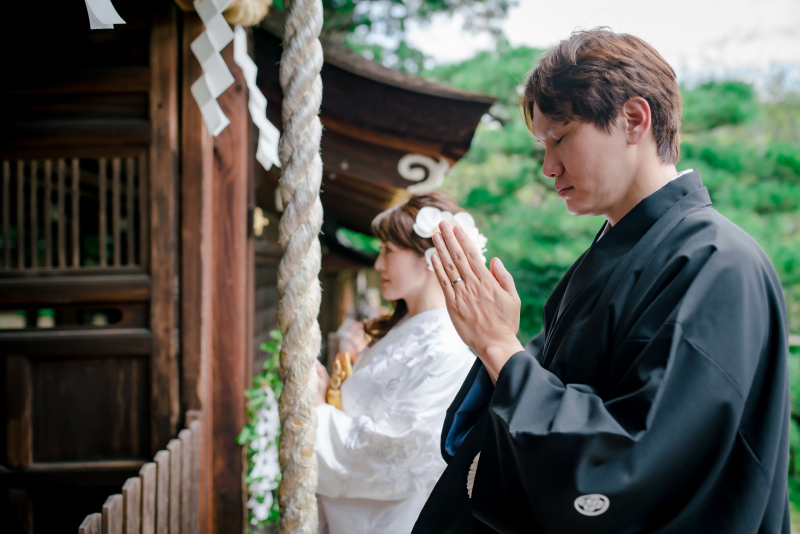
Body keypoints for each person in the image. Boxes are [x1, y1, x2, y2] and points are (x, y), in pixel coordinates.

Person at [413, 29, 790, 534]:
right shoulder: (615, 251)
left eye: (560, 137)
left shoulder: (719, 263)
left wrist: (499, 346)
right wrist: (496, 346)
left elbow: (631, 465)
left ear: (634, 119)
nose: (548, 166)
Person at [314, 193, 480, 534]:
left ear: (431, 257)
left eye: (388, 251)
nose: (377, 264)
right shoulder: (403, 328)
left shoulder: (448, 348)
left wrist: (317, 412)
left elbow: (398, 451)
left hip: (392, 520)